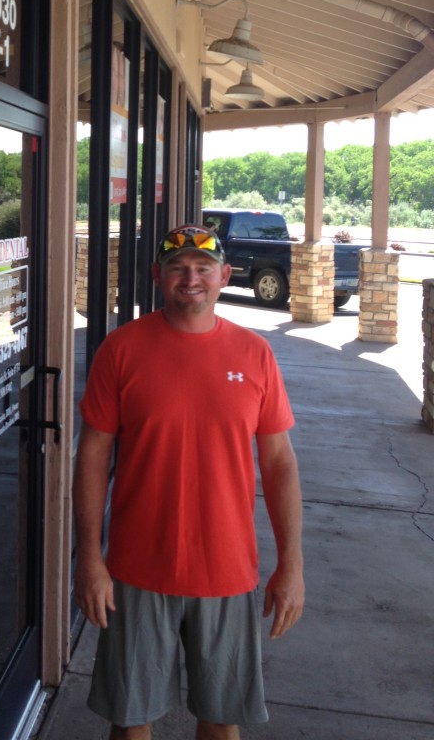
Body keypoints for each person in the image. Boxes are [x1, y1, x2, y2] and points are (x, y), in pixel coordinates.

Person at [73, 225, 305, 740]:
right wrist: (89, 558)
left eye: (203, 269)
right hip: (135, 571)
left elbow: (280, 464)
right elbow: (91, 456)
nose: (190, 278)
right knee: (130, 722)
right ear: (158, 276)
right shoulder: (122, 349)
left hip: (226, 570)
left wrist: (291, 564)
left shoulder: (255, 355)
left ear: (225, 276)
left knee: (222, 723)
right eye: (177, 267)